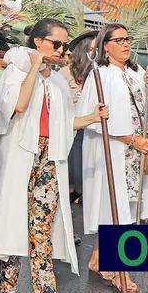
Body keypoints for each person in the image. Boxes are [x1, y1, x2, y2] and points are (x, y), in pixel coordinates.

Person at [0, 20, 108, 293]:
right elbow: (18, 105)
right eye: (56, 44)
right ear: (38, 42)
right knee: (13, 221)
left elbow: (65, 123)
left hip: (49, 158)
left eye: (64, 46)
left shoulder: (57, 83)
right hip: (20, 155)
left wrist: (92, 117)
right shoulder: (15, 72)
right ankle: (8, 289)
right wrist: (34, 68)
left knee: (42, 229)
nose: (62, 51)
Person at [77, 23, 148, 293]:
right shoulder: (99, 75)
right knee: (116, 209)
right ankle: (121, 271)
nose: (126, 44)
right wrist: (130, 139)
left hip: (137, 149)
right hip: (114, 146)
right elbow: (93, 118)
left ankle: (98, 259)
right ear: (106, 46)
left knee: (124, 209)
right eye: (119, 40)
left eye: (127, 39)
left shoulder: (137, 71)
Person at [58, 30, 98, 206]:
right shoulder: (64, 73)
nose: (95, 54)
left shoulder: (100, 74)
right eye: (92, 49)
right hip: (72, 129)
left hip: (93, 129)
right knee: (70, 175)